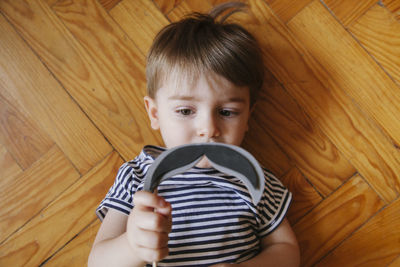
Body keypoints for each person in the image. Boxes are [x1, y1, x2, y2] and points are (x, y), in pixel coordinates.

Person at [88, 2, 300, 267]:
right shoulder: (137, 176)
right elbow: (98, 262)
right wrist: (133, 244)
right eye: (186, 111)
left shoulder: (254, 179)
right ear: (154, 113)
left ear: (248, 117)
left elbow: (287, 250)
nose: (208, 128)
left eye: (227, 112)